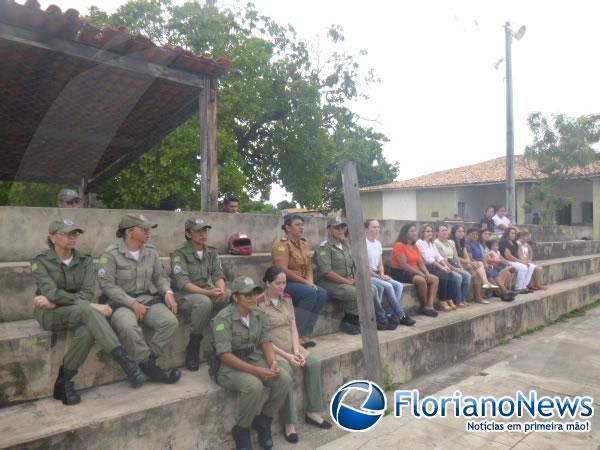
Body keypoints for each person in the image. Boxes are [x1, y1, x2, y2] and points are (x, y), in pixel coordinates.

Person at [31, 219, 146, 405]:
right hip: (49, 314)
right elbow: (50, 292)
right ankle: (126, 362)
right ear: (52, 238)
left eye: (74, 234)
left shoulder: (85, 260)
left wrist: (58, 301)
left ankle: (64, 381)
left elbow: (86, 293)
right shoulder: (40, 261)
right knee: (91, 312)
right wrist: (90, 305)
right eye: (67, 234)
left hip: (68, 309)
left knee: (87, 330)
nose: (72, 238)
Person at [98, 214, 181, 384]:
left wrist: (167, 292)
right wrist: (132, 303)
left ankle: (146, 361)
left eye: (148, 229)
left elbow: (160, 277)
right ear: (129, 232)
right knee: (128, 327)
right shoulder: (111, 254)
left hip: (145, 297)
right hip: (119, 301)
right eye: (143, 229)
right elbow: (108, 286)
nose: (148, 233)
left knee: (170, 322)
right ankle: (153, 370)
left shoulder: (150, 252)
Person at [212, 276, 293, 450]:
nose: (252, 297)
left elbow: (265, 342)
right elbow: (225, 355)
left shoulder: (258, 314)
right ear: (235, 297)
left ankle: (264, 420)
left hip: (252, 358)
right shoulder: (222, 319)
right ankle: (241, 429)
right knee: (254, 386)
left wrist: (272, 363)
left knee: (284, 379)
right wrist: (257, 371)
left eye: (254, 293)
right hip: (228, 367)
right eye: (246, 294)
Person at [257, 267, 332, 444]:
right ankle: (289, 423)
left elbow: (293, 327)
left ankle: (313, 412)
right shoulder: (259, 303)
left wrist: (297, 350)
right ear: (267, 283)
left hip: (292, 345)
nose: (282, 287)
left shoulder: (287, 299)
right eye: (278, 283)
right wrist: (288, 356)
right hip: (273, 349)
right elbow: (263, 339)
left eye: (284, 283)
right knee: (286, 375)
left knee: (313, 363)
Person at [170, 218, 230, 371]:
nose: (203, 234)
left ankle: (225, 344)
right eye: (198, 231)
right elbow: (183, 283)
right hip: (184, 295)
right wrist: (208, 292)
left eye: (205, 231)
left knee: (231, 296)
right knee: (204, 302)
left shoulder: (211, 252)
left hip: (206, 290)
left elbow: (218, 274)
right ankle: (193, 345)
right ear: (188, 234)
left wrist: (221, 289)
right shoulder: (179, 254)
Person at [272, 214, 327, 348]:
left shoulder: (304, 244)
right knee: (310, 293)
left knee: (322, 293)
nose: (301, 227)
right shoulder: (281, 245)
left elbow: (309, 267)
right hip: (284, 283)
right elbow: (282, 270)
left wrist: (311, 282)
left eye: (302, 225)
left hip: (302, 282)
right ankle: (297, 333)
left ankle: (306, 334)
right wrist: (307, 284)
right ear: (287, 227)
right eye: (297, 225)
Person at [316, 218, 373, 334]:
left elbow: (353, 264)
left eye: (342, 227)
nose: (341, 230)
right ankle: (348, 321)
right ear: (329, 230)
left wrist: (355, 278)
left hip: (346, 279)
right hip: (329, 282)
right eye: (337, 227)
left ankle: (356, 317)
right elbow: (327, 272)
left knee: (371, 290)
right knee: (354, 293)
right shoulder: (324, 247)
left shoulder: (345, 244)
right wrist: (348, 282)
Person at [365, 219, 415, 325]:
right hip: (367, 275)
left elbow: (380, 264)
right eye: (374, 227)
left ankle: (389, 313)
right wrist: (378, 276)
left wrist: (382, 274)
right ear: (366, 229)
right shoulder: (363, 243)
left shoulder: (378, 243)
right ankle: (401, 315)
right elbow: (363, 266)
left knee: (399, 285)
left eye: (378, 227)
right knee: (388, 286)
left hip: (378, 273)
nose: (377, 229)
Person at [389, 223, 438, 317]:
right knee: (421, 280)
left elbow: (420, 263)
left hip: (414, 270)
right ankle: (424, 306)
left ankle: (430, 306)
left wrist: (427, 273)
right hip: (400, 272)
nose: (415, 233)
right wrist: (422, 274)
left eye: (415, 231)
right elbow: (404, 265)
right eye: (412, 231)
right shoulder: (399, 245)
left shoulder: (414, 246)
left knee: (435, 279)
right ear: (405, 233)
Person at [416, 224, 458, 311]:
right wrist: (441, 267)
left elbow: (438, 256)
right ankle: (442, 301)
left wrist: (445, 265)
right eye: (427, 231)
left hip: (434, 266)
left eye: (431, 231)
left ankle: (448, 298)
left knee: (451, 275)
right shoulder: (420, 242)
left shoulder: (432, 243)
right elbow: (428, 258)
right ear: (422, 232)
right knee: (444, 275)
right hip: (426, 267)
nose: (430, 233)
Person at [451, 225, 496, 304]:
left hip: (465, 264)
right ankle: (483, 289)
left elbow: (467, 257)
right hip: (456, 264)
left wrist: (469, 262)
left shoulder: (463, 243)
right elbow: (456, 258)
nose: (461, 233)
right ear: (454, 232)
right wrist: (470, 263)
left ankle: (478, 297)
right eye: (459, 231)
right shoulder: (452, 242)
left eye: (462, 231)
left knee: (478, 271)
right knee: (478, 266)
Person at [434, 224, 472, 308]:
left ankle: (462, 299)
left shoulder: (451, 242)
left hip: (454, 264)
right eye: (442, 230)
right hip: (444, 266)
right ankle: (457, 300)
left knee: (468, 275)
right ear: (437, 233)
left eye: (446, 230)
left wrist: (460, 267)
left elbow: (455, 257)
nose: (445, 232)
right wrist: (456, 270)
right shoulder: (436, 243)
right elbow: (443, 260)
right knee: (458, 277)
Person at [499, 228, 535, 293]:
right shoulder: (504, 242)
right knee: (523, 267)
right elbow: (508, 256)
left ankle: (524, 286)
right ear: (507, 234)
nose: (514, 235)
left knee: (531, 266)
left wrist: (525, 261)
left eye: (514, 233)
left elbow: (519, 254)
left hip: (515, 261)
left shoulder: (514, 242)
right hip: (507, 261)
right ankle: (518, 288)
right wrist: (521, 262)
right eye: (512, 233)